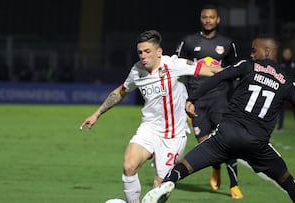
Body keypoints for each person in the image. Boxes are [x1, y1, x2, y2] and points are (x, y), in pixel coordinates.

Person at [142, 35, 295, 203]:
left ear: (267, 51)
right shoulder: (288, 82)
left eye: (254, 50)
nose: (251, 54)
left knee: (185, 166)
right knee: (287, 180)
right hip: (257, 144)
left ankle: (167, 184)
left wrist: (193, 98)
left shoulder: (248, 66)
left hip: (226, 136)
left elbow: (219, 77)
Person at [80, 30, 222, 203]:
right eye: (140, 52)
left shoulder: (173, 65)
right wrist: (97, 114)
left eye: (147, 51)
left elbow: (210, 70)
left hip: (173, 135)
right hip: (149, 128)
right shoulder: (137, 71)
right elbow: (120, 92)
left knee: (159, 188)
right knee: (129, 166)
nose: (143, 56)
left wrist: (241, 74)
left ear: (159, 52)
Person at [175, 3, 243, 198]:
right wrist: (184, 99)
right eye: (205, 17)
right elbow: (177, 67)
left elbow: (236, 70)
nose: (208, 20)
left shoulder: (228, 43)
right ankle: (216, 166)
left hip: (221, 99)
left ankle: (234, 185)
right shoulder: (188, 41)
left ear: (218, 19)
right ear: (201, 19)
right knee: (206, 144)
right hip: (197, 100)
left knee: (227, 140)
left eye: (211, 17)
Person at [276, 47, 295, 132]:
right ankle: (280, 126)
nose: (287, 55)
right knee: (280, 108)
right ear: (283, 54)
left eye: (289, 53)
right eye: (286, 53)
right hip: (282, 89)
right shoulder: (279, 63)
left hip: (293, 88)